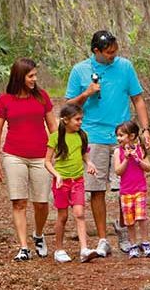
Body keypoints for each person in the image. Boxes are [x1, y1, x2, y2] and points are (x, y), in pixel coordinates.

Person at [65, 30, 150, 256]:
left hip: (123, 135)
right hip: (93, 135)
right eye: (108, 52)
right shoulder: (80, 70)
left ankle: (125, 230)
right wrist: (87, 93)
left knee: (127, 186)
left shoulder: (125, 67)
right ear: (96, 51)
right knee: (96, 189)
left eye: (115, 51)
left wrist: (145, 129)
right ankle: (103, 239)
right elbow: (68, 106)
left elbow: (138, 99)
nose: (113, 55)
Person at [0, 58, 57, 261]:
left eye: (35, 75)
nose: (34, 79)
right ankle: (23, 247)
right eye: (31, 76)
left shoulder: (42, 97)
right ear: (20, 77)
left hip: (40, 156)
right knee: (19, 201)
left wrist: (58, 152)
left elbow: (53, 127)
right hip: (14, 155)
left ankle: (38, 234)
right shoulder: (5, 100)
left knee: (41, 202)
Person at [44, 104, 100, 263]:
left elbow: (84, 155)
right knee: (62, 216)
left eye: (81, 119)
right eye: (77, 119)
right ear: (66, 120)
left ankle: (84, 249)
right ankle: (59, 249)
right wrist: (57, 175)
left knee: (80, 213)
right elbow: (47, 162)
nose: (80, 122)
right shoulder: (55, 137)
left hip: (78, 181)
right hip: (62, 183)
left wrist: (90, 163)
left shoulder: (82, 135)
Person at [113, 120, 150, 258]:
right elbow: (118, 171)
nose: (118, 138)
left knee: (141, 217)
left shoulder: (140, 149)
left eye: (121, 135)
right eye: (117, 136)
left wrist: (137, 159)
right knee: (129, 220)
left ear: (131, 136)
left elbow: (148, 167)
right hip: (126, 191)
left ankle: (145, 242)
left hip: (140, 189)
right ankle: (133, 244)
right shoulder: (117, 152)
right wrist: (126, 159)